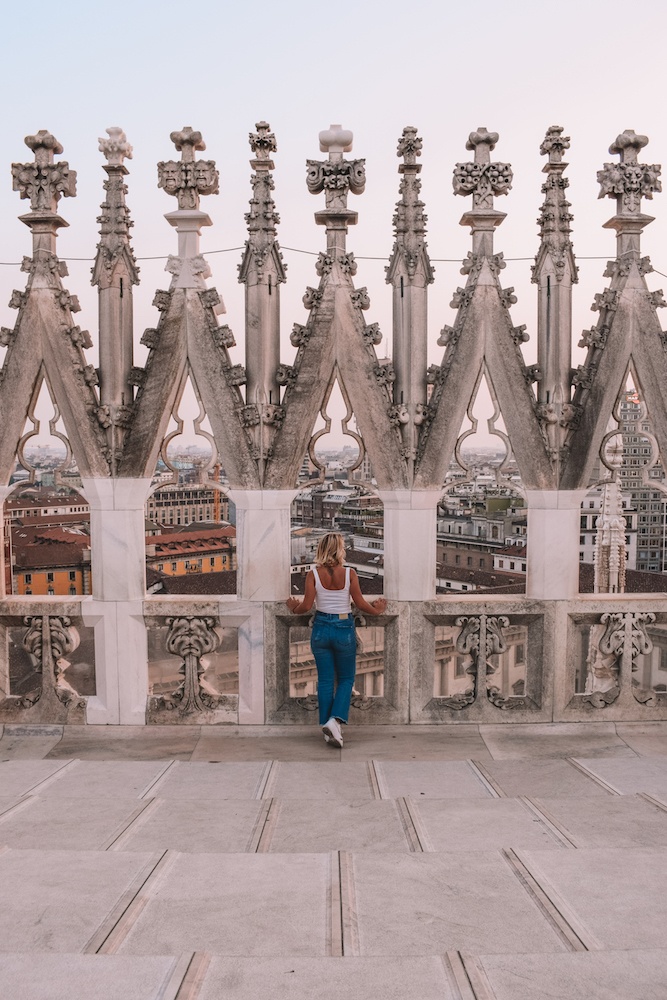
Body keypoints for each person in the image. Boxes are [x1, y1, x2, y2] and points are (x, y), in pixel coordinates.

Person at [286, 532, 386, 748]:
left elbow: (305, 607)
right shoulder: (350, 574)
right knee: (347, 679)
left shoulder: (313, 574)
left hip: (321, 628)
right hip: (343, 629)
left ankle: (328, 726)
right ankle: (335, 720)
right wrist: (377, 610)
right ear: (340, 550)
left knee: (324, 680)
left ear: (320, 549)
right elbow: (360, 603)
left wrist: (292, 606)